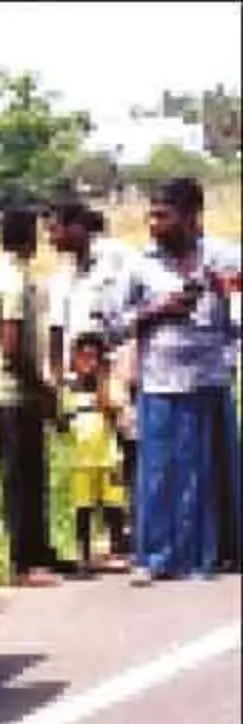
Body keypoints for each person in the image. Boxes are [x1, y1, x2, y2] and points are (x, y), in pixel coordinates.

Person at [118, 177, 243, 583]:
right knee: (161, 473)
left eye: (164, 216)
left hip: (211, 378)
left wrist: (228, 292)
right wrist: (158, 309)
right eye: (151, 216)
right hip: (161, 382)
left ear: (191, 217)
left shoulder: (223, 256)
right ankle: (159, 556)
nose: (154, 224)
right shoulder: (139, 265)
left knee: (211, 471)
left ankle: (216, 553)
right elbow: (112, 322)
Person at [44, 201, 137, 560]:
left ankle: (132, 530)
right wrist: (57, 382)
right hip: (79, 383)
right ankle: (101, 541)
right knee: (88, 463)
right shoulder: (60, 279)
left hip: (115, 372)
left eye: (56, 229)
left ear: (78, 227)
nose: (51, 238)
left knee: (126, 451)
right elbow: (56, 332)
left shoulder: (116, 260)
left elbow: (131, 315)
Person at [0, 206, 63, 587]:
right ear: (28, 237)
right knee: (21, 478)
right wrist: (41, 388)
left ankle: (40, 551)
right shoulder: (12, 280)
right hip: (13, 391)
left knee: (33, 473)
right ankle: (24, 563)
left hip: (11, 390)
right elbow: (12, 347)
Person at [59, 332, 129, 575]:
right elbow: (62, 422)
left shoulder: (110, 386)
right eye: (83, 357)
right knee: (83, 508)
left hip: (108, 457)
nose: (88, 363)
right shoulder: (69, 390)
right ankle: (84, 554)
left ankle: (117, 550)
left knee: (113, 506)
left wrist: (101, 381)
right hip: (81, 460)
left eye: (94, 358)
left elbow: (114, 410)